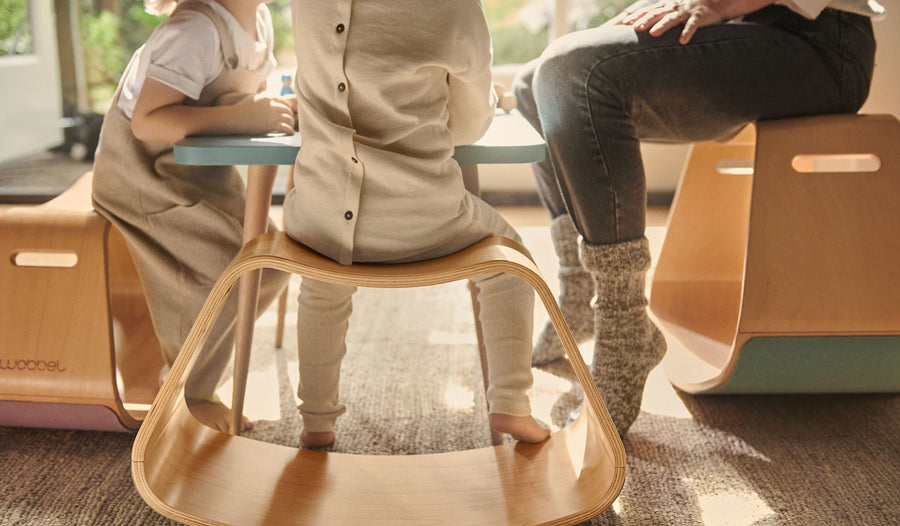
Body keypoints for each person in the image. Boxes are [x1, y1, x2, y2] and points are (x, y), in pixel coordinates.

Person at [512, 0, 882, 436]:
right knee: (533, 83)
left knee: (572, 71)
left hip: (818, 43)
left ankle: (623, 325)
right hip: (745, 28)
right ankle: (581, 292)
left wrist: (719, 5)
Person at [284, 1, 549, 448]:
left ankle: (317, 423)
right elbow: (467, 127)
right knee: (509, 259)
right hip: (425, 221)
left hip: (321, 218)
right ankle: (510, 403)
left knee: (322, 281)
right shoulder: (454, 8)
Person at [91, 0, 295, 432]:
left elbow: (226, 94)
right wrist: (238, 116)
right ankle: (185, 393)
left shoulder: (256, 21)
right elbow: (148, 122)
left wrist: (260, 107)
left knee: (270, 267)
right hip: (145, 182)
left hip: (200, 178)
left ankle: (194, 378)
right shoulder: (194, 31)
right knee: (225, 273)